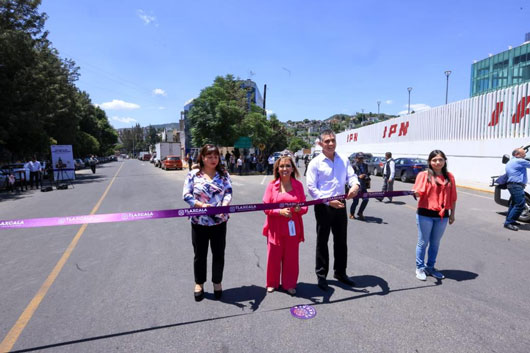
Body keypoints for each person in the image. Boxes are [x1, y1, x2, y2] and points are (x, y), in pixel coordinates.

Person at [306, 129, 360, 290]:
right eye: (327, 141)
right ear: (321, 143)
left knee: (341, 241)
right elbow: (311, 187)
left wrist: (355, 186)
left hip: (341, 205)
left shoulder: (343, 159)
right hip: (323, 206)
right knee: (322, 241)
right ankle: (321, 275)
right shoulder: (315, 163)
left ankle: (340, 272)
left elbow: (352, 177)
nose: (330, 144)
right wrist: (329, 202)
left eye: (332, 140)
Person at [183, 144, 233, 301]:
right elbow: (186, 195)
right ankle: (199, 283)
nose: (213, 160)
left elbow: (228, 192)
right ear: (202, 158)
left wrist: (224, 206)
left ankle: (217, 282)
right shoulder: (193, 175)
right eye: (209, 157)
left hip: (219, 221)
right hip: (199, 221)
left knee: (218, 253)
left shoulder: (223, 174)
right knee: (200, 254)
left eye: (216, 156)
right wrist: (201, 206)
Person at [262, 152, 308, 296]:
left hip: (292, 228)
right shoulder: (271, 185)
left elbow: (305, 207)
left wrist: (299, 209)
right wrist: (279, 212)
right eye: (281, 166)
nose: (284, 168)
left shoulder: (298, 185)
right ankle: (272, 283)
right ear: (277, 169)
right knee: (273, 257)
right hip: (275, 227)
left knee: (291, 258)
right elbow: (266, 207)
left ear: (293, 168)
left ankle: (289, 284)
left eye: (288, 165)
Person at [412, 150, 457, 281]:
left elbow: (453, 197)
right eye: (434, 160)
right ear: (430, 162)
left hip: (442, 215)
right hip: (425, 214)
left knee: (435, 243)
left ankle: (430, 267)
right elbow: (418, 192)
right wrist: (416, 193)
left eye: (440, 160)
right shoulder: (424, 175)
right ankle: (419, 267)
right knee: (423, 242)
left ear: (444, 161)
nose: (437, 162)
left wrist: (452, 214)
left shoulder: (449, 176)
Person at [503, 147, 530, 231]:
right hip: (516, 186)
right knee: (520, 204)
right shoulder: (519, 161)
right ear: (517, 155)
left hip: (513, 185)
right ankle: (509, 223)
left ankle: (510, 220)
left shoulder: (511, 161)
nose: (525, 155)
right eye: (523, 154)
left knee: (514, 204)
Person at [350, 153, 370, 220]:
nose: (361, 159)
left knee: (366, 199)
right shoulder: (353, 166)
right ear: (356, 158)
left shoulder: (365, 165)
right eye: (359, 158)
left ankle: (360, 213)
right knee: (356, 201)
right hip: (356, 186)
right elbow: (351, 176)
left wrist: (366, 176)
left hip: (363, 185)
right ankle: (352, 214)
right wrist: (359, 176)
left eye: (362, 158)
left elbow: (367, 173)